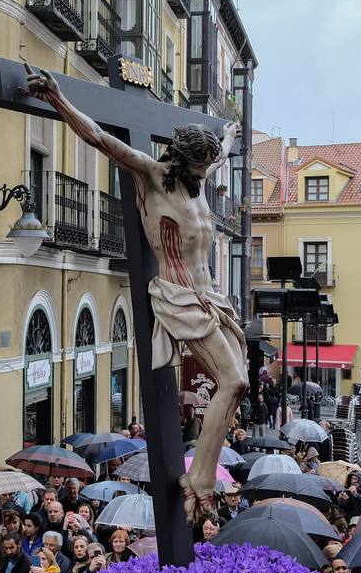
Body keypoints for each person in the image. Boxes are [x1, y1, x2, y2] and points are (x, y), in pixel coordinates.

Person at [26, 67, 245, 519]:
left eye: (208, 165)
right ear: (181, 159)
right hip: (180, 298)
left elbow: (219, 154)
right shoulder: (151, 174)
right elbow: (101, 140)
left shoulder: (198, 180)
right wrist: (57, 98)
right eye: (199, 165)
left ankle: (201, 474)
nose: (206, 172)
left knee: (237, 385)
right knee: (234, 380)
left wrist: (229, 134)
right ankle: (199, 477)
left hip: (211, 300)